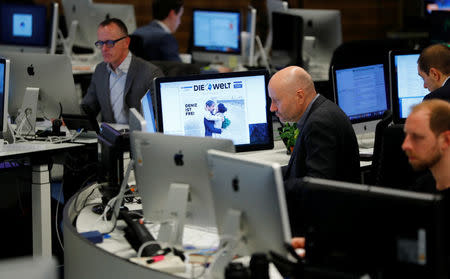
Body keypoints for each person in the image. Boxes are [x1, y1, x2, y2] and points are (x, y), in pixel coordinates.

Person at [268, 66, 360, 236]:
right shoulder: (322, 111)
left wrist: (274, 187)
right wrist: (268, 174)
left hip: (326, 228)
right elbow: (303, 168)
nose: (272, 108)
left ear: (300, 96)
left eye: (276, 100)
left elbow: (317, 184)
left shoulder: (319, 123)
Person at [81, 18, 163, 124]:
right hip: (109, 137)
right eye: (100, 43)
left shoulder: (150, 73)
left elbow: (160, 118)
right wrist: (65, 119)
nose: (104, 49)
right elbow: (87, 109)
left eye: (110, 43)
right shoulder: (100, 70)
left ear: (126, 42)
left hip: (138, 136)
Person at [402, 99, 450, 191]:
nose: (405, 146)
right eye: (406, 135)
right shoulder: (421, 187)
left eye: (416, 137)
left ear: (446, 140)